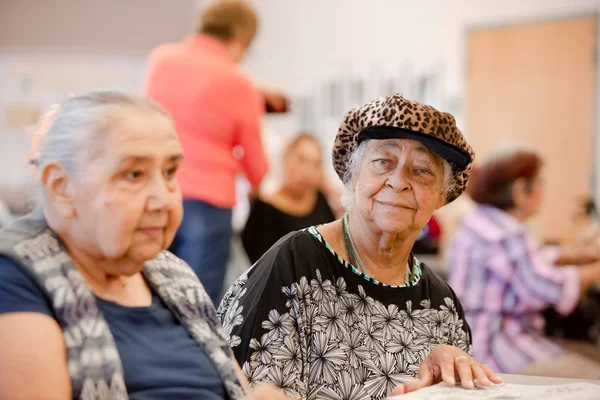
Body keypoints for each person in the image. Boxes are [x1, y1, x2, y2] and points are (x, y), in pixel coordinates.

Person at [0, 91, 293, 400]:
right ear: (61, 187)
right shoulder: (14, 279)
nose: (163, 199)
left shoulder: (174, 274)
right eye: (133, 174)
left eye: (169, 172)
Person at [219, 94, 502, 399]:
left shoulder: (441, 303)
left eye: (422, 170)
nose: (398, 181)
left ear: (441, 197)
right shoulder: (295, 264)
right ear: (353, 176)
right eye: (383, 162)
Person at [144, 0, 277, 305]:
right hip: (208, 203)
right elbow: (257, 165)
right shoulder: (239, 82)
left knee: (153, 291)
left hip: (156, 192)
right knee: (196, 303)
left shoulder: (161, 60)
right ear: (240, 37)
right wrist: (256, 182)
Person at [448, 145, 600, 378]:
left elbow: (533, 259)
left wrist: (585, 254)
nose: (543, 190)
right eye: (540, 182)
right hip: (496, 349)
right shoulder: (505, 233)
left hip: (474, 341)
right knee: (593, 373)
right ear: (521, 189)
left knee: (588, 355)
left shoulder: (482, 220)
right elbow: (547, 288)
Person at [242, 134, 336, 264]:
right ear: (285, 159)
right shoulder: (264, 209)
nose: (308, 170)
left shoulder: (320, 199)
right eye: (301, 160)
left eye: (315, 164)